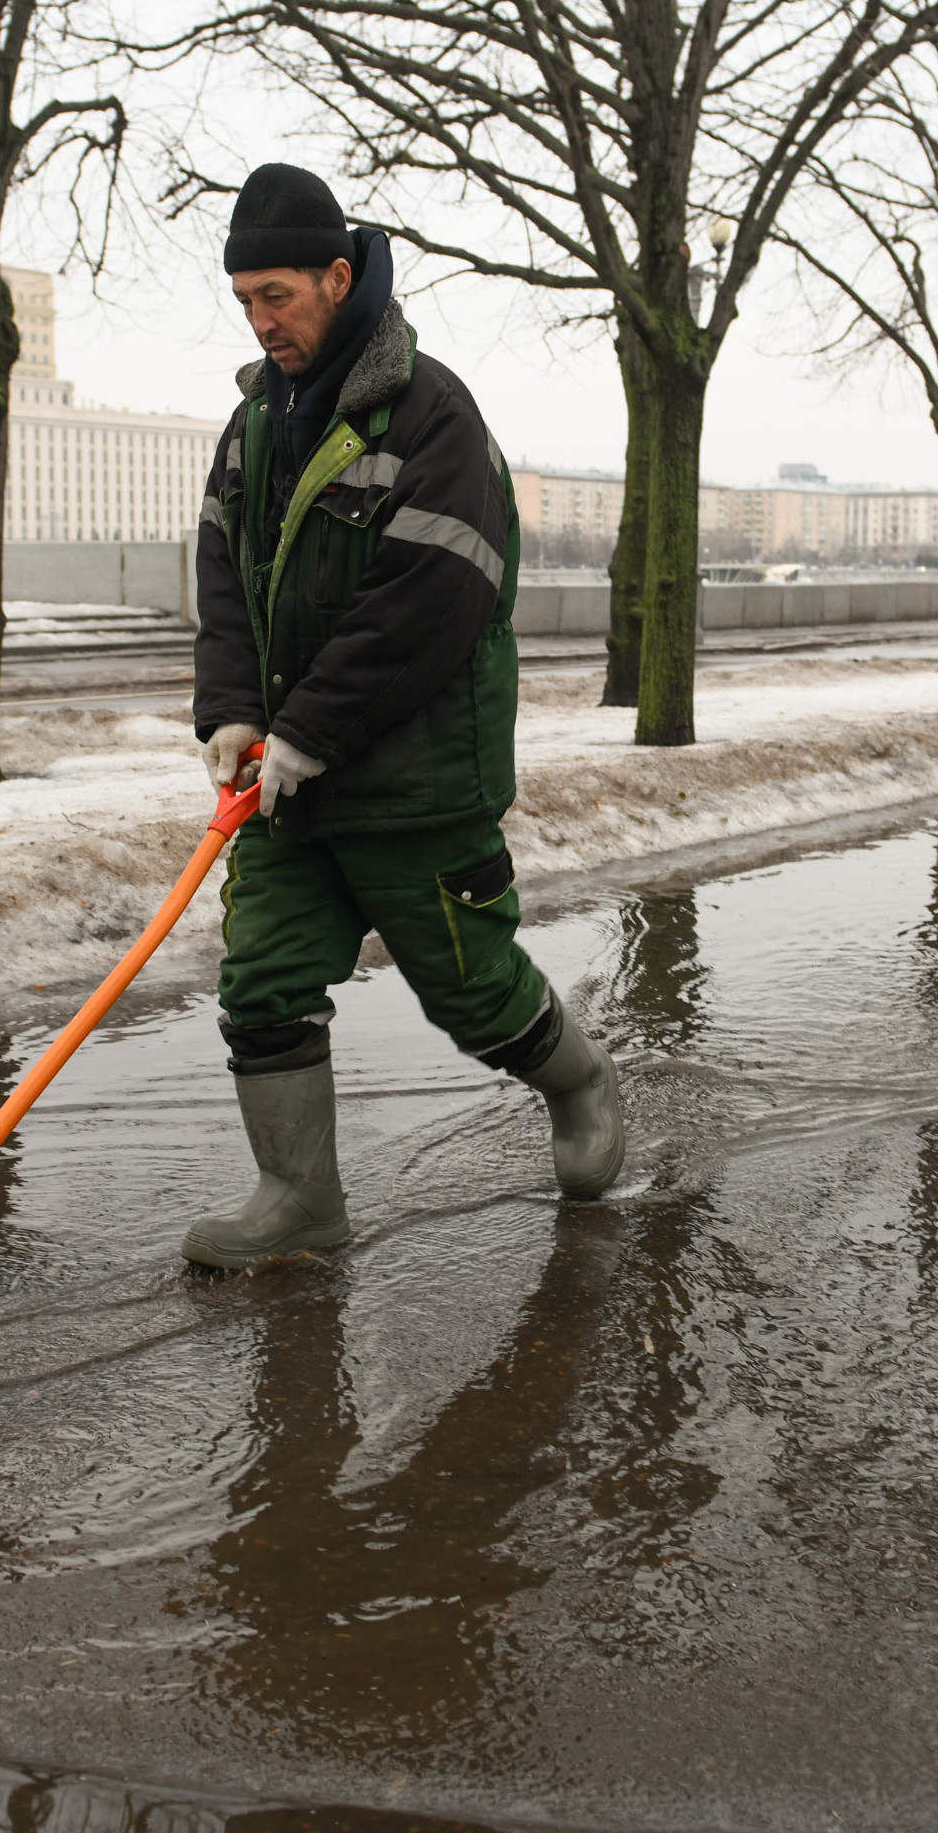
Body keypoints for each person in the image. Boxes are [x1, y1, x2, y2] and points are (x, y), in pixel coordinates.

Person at [183, 164, 625, 1269]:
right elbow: (224, 582)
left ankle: (580, 1082)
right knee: (263, 980)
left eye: (277, 294)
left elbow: (426, 607)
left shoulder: (432, 416)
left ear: (341, 275)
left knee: (473, 995)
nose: (260, 319)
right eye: (243, 299)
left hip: (415, 781)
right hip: (287, 788)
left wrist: (307, 732)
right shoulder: (251, 428)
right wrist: (234, 713)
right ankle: (300, 1199)